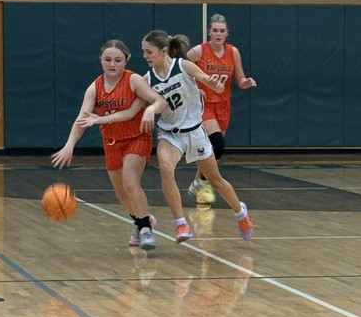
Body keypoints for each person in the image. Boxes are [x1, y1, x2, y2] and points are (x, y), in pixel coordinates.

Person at [139, 29, 254, 244]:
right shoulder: (147, 79)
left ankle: (241, 214)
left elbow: (204, 78)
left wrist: (214, 84)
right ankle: (180, 223)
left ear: (163, 51)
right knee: (165, 168)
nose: (145, 56)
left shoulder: (183, 66)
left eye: (149, 52)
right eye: (144, 52)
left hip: (194, 131)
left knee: (216, 181)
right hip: (170, 133)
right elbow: (140, 101)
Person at [51, 39, 164, 250]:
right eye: (108, 59)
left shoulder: (134, 80)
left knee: (130, 181)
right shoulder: (94, 88)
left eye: (118, 60)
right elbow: (81, 119)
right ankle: (142, 222)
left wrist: (149, 109)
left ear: (126, 61)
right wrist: (69, 145)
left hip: (136, 137)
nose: (112, 64)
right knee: (122, 193)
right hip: (111, 142)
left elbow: (159, 101)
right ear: (101, 60)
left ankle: (146, 231)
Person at [185, 13, 257, 205]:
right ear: (209, 32)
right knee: (216, 144)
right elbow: (181, 68)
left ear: (227, 33)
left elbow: (240, 80)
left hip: (224, 105)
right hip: (205, 104)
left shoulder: (232, 52)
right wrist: (195, 87)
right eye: (215, 30)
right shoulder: (199, 51)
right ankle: (205, 184)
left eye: (222, 31)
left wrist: (246, 82)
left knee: (211, 150)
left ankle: (199, 182)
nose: (218, 34)